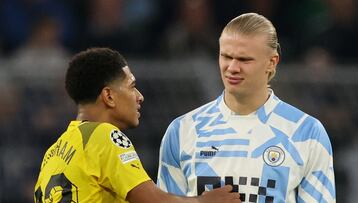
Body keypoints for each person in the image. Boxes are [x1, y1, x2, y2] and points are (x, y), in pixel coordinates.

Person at [157, 13, 336, 202]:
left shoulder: (306, 132)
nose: (232, 67)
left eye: (244, 60)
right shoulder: (182, 130)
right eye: (226, 56)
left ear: (271, 62)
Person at [33, 47, 241, 203]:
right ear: (109, 96)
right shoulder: (104, 136)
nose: (140, 97)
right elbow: (151, 200)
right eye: (132, 86)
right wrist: (204, 201)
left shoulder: (53, 153)